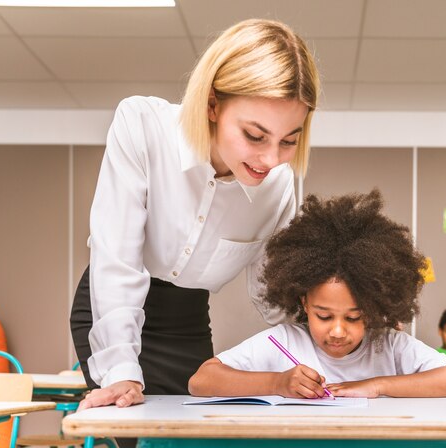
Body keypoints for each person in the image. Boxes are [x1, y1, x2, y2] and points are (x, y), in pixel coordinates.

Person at [70, 18, 321, 411]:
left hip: (186, 322)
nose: (271, 159)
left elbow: (275, 294)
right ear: (211, 104)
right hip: (113, 300)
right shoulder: (143, 127)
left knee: (188, 432)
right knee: (136, 427)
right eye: (255, 136)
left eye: (289, 140)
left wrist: (332, 326)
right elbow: (116, 259)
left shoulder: (279, 184)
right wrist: (121, 371)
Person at [189, 190, 446, 399]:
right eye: (324, 315)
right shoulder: (283, 341)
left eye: (354, 317)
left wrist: (377, 385)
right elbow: (201, 381)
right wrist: (277, 383)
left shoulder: (388, 346)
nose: (337, 331)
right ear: (304, 303)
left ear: (372, 308)